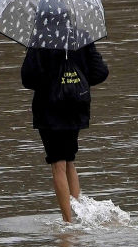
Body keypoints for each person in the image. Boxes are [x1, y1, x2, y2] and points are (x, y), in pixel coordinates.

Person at [21, 42, 109, 222]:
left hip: (49, 110)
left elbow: (27, 78)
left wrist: (49, 80)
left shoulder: (41, 41)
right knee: (69, 160)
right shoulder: (81, 38)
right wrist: (78, 80)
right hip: (76, 106)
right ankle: (79, 216)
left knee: (58, 164)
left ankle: (68, 223)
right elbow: (101, 71)